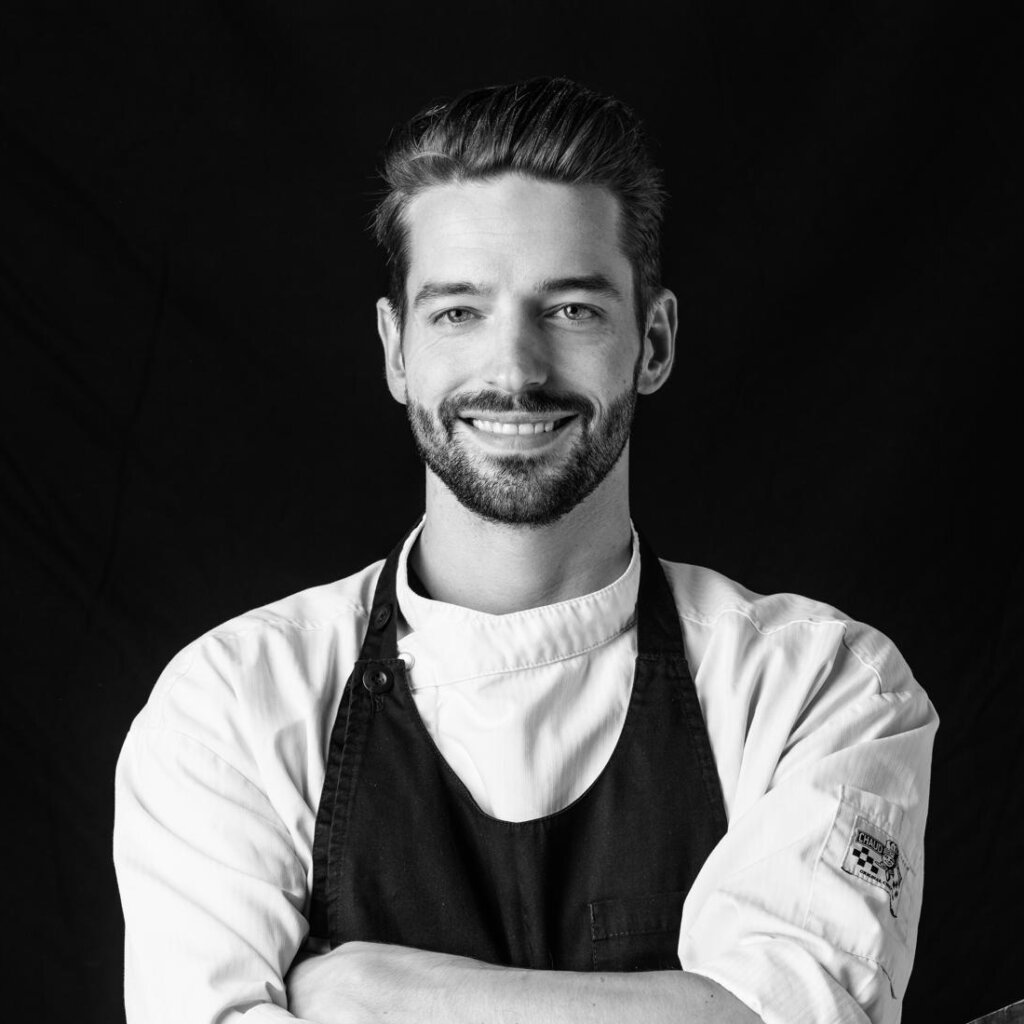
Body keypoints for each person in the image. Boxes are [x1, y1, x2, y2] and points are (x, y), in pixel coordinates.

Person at [113, 77, 938, 1024]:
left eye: (572, 309)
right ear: (396, 350)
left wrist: (377, 996)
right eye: (458, 312)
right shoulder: (232, 706)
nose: (513, 370)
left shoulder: (819, 688)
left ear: (654, 341)